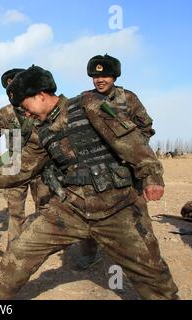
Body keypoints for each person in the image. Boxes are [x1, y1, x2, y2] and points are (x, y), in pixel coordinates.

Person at [0, 65, 179, 300]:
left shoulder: (89, 104)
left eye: (25, 107)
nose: (26, 114)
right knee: (19, 253)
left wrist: (151, 176)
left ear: (41, 95)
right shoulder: (42, 131)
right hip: (70, 209)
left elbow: (132, 141)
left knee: (153, 278)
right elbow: (24, 166)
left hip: (117, 210)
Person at [75, 54, 158, 270]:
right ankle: (88, 254)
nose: (99, 80)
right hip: (96, 168)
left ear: (115, 76)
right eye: (95, 76)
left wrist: (129, 149)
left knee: (138, 214)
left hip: (126, 169)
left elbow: (145, 127)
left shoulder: (128, 98)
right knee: (90, 212)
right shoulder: (85, 99)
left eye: (105, 76)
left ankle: (150, 259)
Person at [0, 68, 50, 248]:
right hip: (13, 167)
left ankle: (38, 246)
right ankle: (14, 249)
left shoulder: (40, 108)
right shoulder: (5, 113)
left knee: (44, 209)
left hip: (41, 168)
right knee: (15, 212)